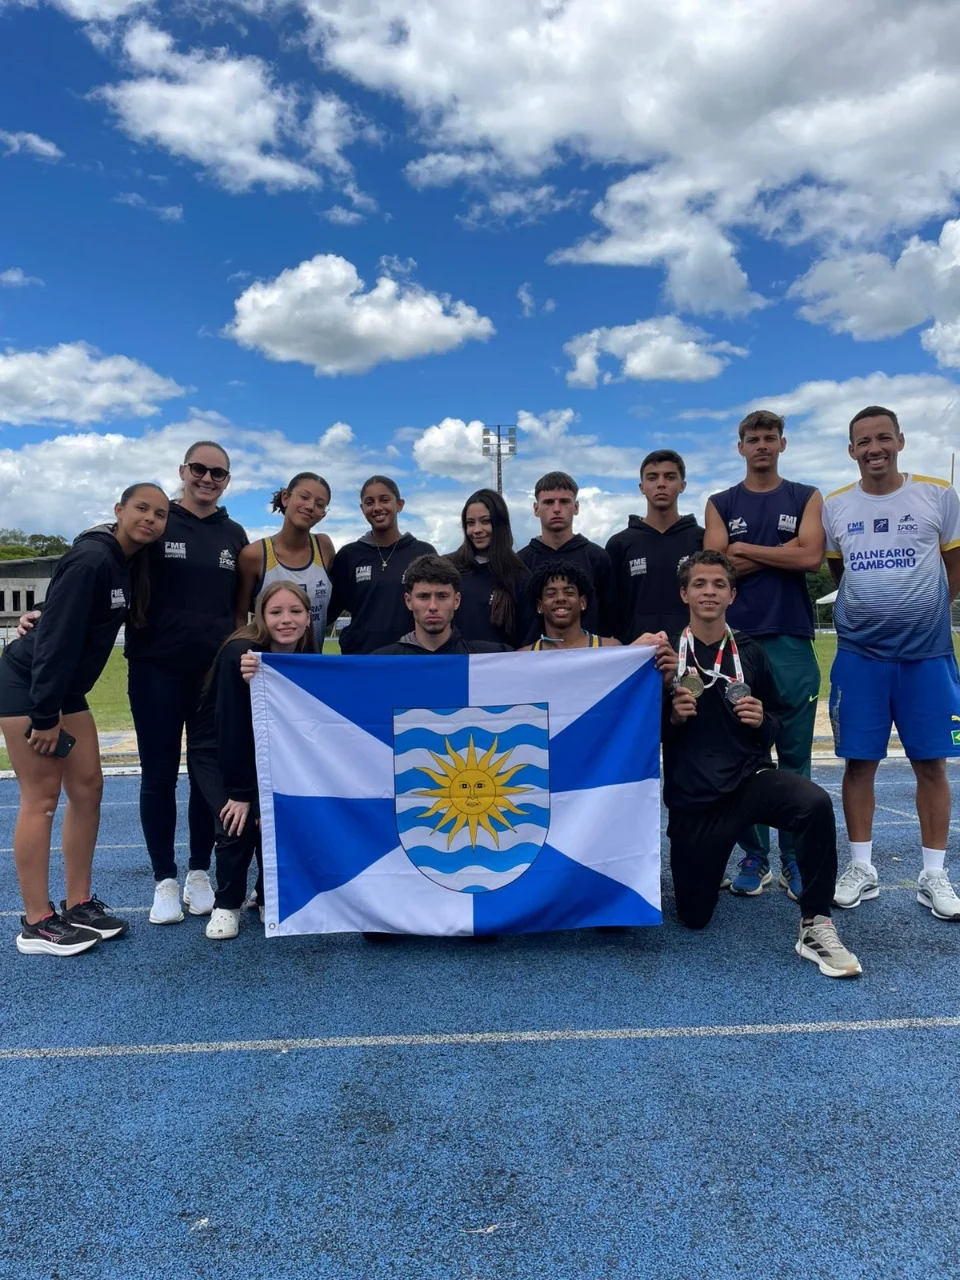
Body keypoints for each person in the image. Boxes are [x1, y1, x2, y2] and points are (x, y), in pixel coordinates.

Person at [662, 550, 861, 978]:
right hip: (696, 800)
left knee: (813, 802)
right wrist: (672, 718)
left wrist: (760, 720)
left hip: (749, 784)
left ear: (732, 594)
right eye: (700, 584)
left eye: (718, 584)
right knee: (694, 918)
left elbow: (775, 721)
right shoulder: (665, 659)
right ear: (684, 593)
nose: (709, 592)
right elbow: (641, 735)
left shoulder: (749, 651)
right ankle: (714, 866)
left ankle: (817, 923)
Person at [0, 484, 170, 955]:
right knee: (42, 799)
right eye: (141, 508)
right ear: (118, 510)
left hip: (65, 692)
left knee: (89, 788)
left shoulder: (128, 561)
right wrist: (45, 713)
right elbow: (55, 640)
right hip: (30, 687)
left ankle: (78, 904)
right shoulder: (93, 558)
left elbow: (55, 614)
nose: (151, 519)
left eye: (160, 514)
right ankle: (36, 922)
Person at [823, 405, 960, 921]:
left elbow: (954, 566)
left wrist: (924, 613)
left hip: (927, 655)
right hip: (860, 656)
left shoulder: (938, 495)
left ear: (900, 441)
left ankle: (934, 874)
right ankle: (862, 866)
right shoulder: (836, 506)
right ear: (851, 450)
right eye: (864, 441)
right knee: (859, 762)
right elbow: (840, 571)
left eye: (884, 438)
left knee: (932, 763)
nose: (875, 448)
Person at [126, 441, 249, 926]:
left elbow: (242, 609)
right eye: (199, 469)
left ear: (227, 480)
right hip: (155, 667)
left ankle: (200, 871)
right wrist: (44, 613)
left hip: (211, 677)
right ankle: (164, 879)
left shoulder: (235, 534)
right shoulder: (156, 523)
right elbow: (103, 560)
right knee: (158, 774)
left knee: (206, 778)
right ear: (183, 470)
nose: (207, 478)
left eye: (218, 473)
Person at [704, 411, 824, 900]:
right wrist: (783, 548)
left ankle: (795, 860)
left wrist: (746, 549)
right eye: (752, 439)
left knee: (795, 757)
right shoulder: (720, 502)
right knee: (737, 760)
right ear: (740, 447)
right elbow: (718, 568)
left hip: (792, 641)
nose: (761, 446)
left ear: (782, 444)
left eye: (769, 438)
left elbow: (811, 557)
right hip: (736, 644)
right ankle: (755, 856)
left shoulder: (805, 496)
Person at [194, 581, 317, 940]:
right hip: (219, 752)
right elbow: (232, 727)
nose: (286, 620)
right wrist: (242, 791)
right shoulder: (241, 654)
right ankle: (226, 904)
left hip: (267, 749)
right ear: (260, 616)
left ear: (309, 618)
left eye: (295, 611)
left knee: (276, 818)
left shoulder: (304, 655)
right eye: (276, 612)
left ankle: (265, 894)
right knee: (237, 821)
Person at [327, 476, 436, 654]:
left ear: (400, 504)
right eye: (369, 502)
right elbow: (328, 611)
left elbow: (438, 605)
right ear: (362, 509)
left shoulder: (423, 552)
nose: (377, 507)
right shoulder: (349, 555)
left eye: (384, 500)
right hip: (361, 660)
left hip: (412, 658)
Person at [605, 449, 704, 642]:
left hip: (692, 653)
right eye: (652, 478)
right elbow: (609, 609)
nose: (661, 484)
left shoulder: (701, 539)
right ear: (641, 487)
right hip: (635, 652)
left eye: (669, 477)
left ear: (682, 485)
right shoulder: (620, 544)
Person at [237, 472, 334, 648]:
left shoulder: (324, 547)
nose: (310, 506)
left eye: (320, 504)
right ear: (285, 498)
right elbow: (240, 616)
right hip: (268, 667)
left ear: (323, 514)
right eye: (304, 497)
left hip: (312, 666)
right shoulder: (254, 555)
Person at [518, 472, 617, 640]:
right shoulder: (520, 562)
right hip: (533, 661)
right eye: (548, 502)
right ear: (536, 509)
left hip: (590, 659)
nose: (556, 509)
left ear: (576, 507)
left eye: (564, 502)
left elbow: (611, 617)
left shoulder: (597, 558)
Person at [372, 555, 511, 655]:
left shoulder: (489, 657)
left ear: (456, 601)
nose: (433, 606)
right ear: (409, 601)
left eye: (442, 596)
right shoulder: (381, 663)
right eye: (423, 596)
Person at [447, 488, 533, 648]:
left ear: (500, 523)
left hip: (501, 669)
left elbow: (528, 639)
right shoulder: (448, 568)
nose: (477, 530)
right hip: (456, 668)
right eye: (470, 523)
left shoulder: (520, 576)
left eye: (485, 521)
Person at [519, 561, 622, 651]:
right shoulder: (524, 657)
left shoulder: (610, 648)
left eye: (569, 592)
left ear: (583, 602)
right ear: (539, 606)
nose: (560, 598)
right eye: (551, 594)